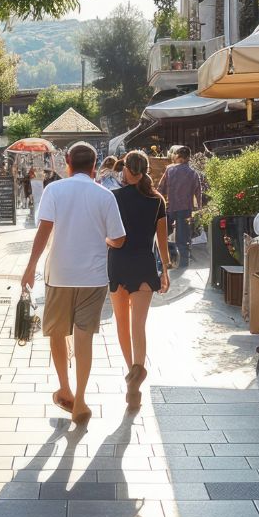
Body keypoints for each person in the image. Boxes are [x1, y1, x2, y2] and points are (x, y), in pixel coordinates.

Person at [22, 142, 127, 423]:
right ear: (95, 165)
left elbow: (43, 232)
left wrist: (30, 267)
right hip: (93, 278)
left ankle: (65, 388)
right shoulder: (105, 195)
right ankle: (80, 399)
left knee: (57, 333)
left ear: (67, 162)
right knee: (84, 336)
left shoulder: (54, 190)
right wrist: (103, 239)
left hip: (59, 274)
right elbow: (119, 239)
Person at [108, 150, 169, 409]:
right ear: (145, 170)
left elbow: (109, 234)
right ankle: (137, 371)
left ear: (126, 170)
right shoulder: (157, 201)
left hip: (118, 263)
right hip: (144, 264)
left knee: (122, 323)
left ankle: (131, 374)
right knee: (139, 325)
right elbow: (162, 243)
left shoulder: (114, 198)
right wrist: (165, 270)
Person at [158, 145, 205, 270]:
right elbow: (198, 193)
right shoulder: (193, 174)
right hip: (185, 209)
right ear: (188, 158)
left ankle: (164, 261)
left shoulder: (169, 170)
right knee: (183, 239)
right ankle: (183, 265)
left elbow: (160, 188)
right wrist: (199, 209)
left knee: (162, 234)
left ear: (177, 156)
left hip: (170, 207)